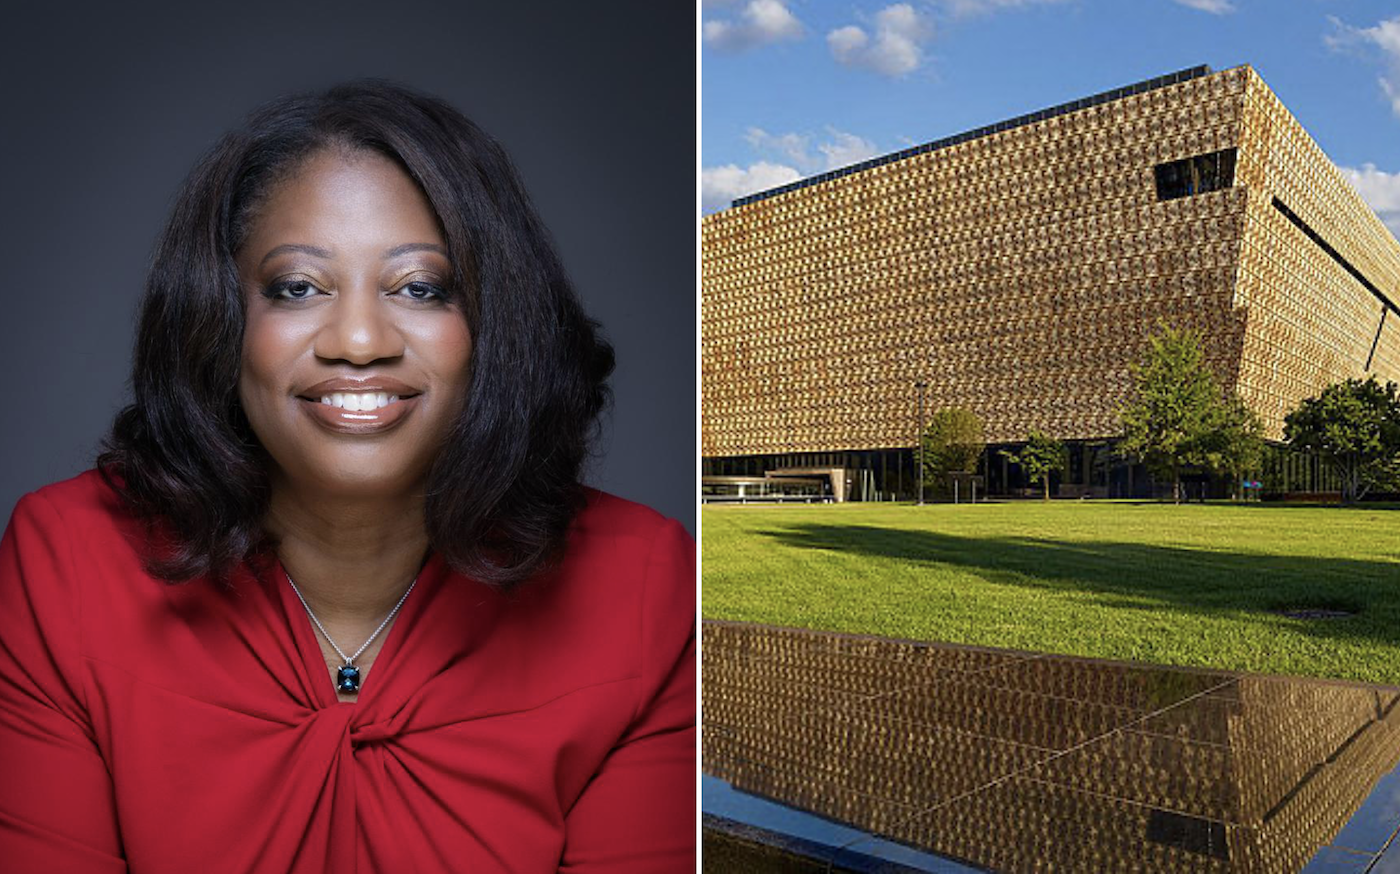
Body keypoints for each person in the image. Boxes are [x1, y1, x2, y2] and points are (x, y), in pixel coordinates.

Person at [0, 79, 695, 873]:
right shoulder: (66, 564)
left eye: (420, 289)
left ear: (495, 322)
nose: (359, 341)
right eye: (298, 288)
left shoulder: (642, 585)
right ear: (220, 322)